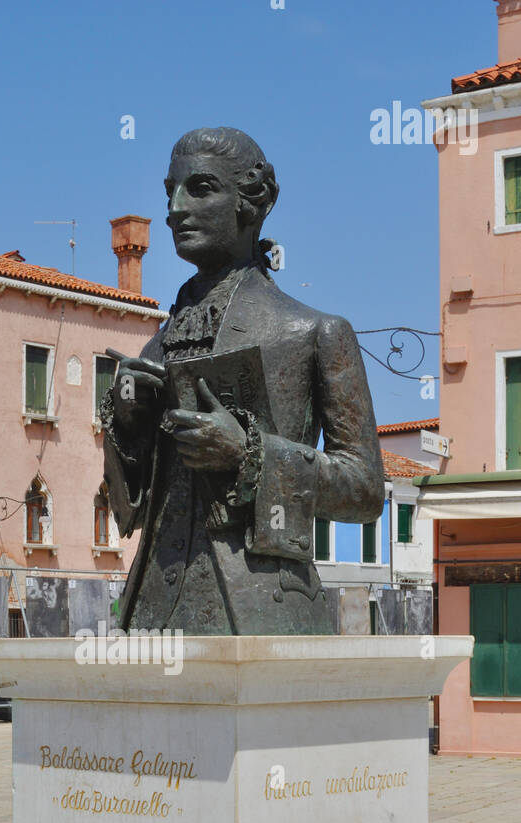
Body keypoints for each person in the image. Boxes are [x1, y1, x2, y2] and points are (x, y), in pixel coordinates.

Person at [101, 127, 384, 635]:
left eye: (200, 188)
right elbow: (132, 507)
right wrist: (127, 426)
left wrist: (248, 453)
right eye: (170, 190)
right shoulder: (156, 346)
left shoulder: (314, 332)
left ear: (251, 203)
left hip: (266, 610)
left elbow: (364, 491)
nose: (174, 209)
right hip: (149, 614)